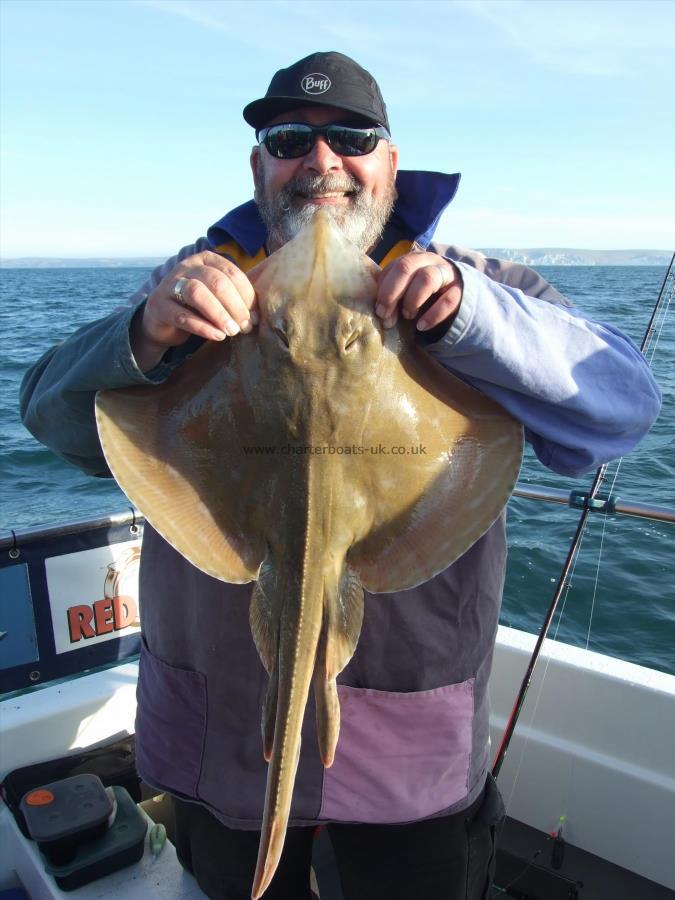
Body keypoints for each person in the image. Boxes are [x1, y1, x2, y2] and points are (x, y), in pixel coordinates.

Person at [20, 51, 661, 900]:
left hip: (411, 744)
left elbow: (622, 407)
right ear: (260, 167)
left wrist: (470, 317)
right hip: (222, 729)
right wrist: (143, 334)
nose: (321, 161)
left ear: (389, 163)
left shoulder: (485, 289)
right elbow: (50, 414)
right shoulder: (190, 286)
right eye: (290, 139)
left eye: (352, 138)